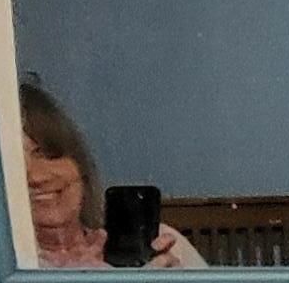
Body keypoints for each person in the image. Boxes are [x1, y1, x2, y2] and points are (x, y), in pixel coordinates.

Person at [17, 79, 205, 269]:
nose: (36, 177)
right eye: (14, 163)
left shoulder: (166, 246)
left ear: (79, 165)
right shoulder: (17, 272)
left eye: (44, 153)